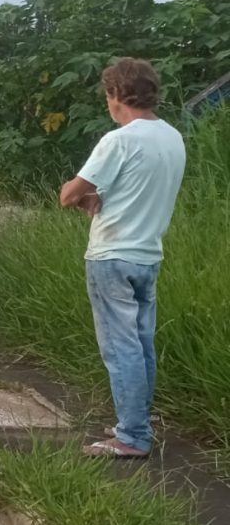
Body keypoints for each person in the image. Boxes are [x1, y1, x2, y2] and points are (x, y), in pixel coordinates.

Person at [59, 57, 185, 459]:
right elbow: (133, 191)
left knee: (121, 349)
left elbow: (69, 193)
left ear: (116, 95)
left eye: (107, 95)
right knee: (141, 345)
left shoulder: (119, 140)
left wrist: (80, 195)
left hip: (112, 256)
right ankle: (135, 424)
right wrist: (97, 199)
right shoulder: (171, 137)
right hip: (148, 255)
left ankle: (132, 436)